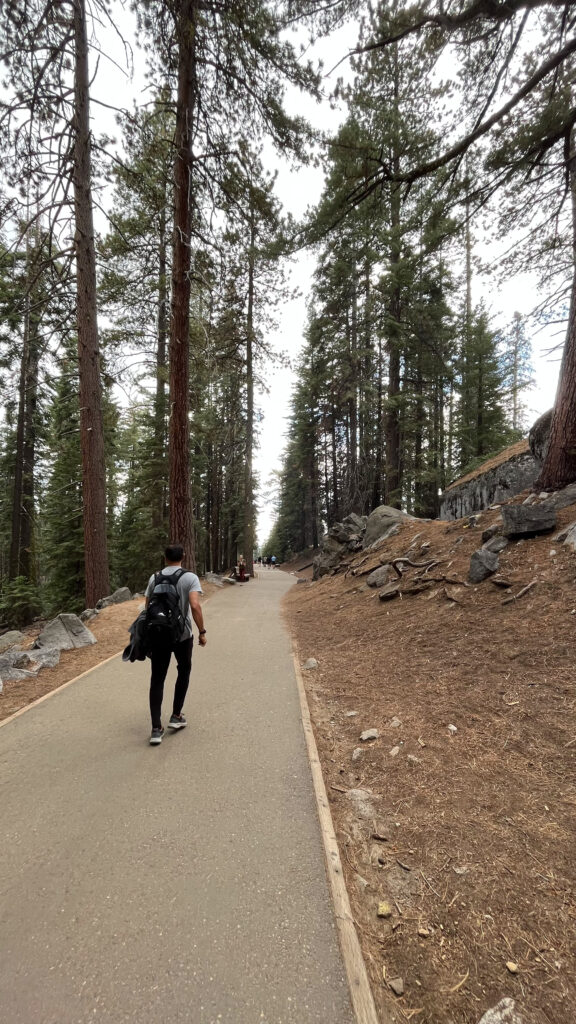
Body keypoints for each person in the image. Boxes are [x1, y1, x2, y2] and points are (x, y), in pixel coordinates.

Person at [145, 543, 207, 745]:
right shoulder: (190, 577)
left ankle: (156, 729)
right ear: (183, 556)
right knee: (184, 670)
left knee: (157, 678)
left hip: (159, 634)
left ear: (165, 558)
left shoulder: (154, 577)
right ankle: (176, 716)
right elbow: (195, 606)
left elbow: (148, 607)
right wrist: (202, 632)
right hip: (182, 635)